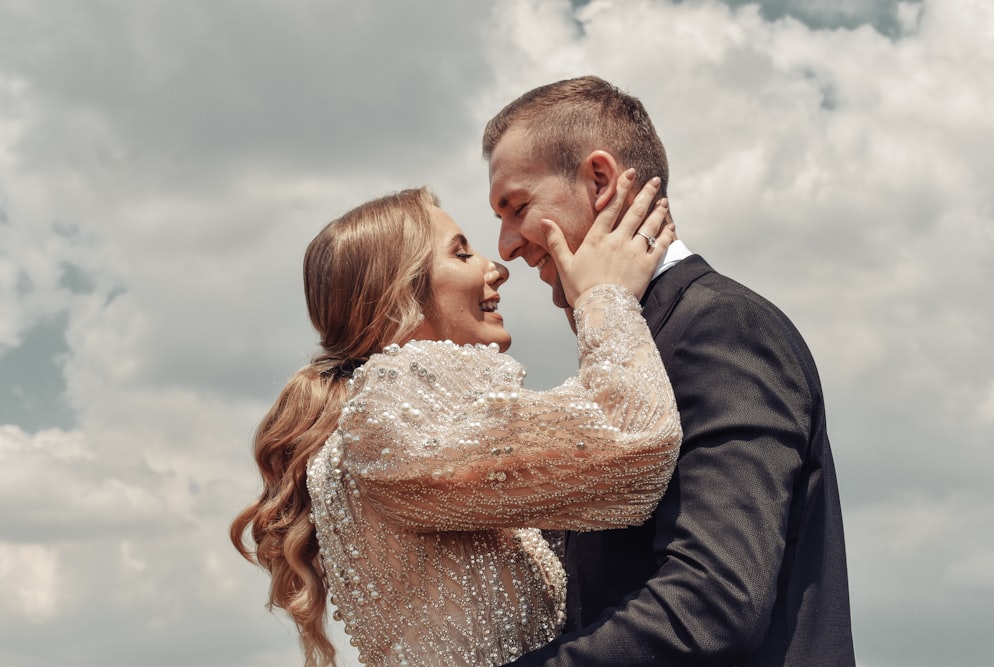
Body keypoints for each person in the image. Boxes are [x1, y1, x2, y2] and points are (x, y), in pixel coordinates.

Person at [231, 172, 684, 666]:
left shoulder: (383, 420)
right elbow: (634, 445)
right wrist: (605, 296)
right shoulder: (390, 403)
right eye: (462, 254)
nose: (497, 267)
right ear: (398, 295)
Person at [484, 75, 854, 666]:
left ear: (599, 181)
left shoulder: (720, 327)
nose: (505, 246)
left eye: (518, 207)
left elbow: (714, 599)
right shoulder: (630, 348)